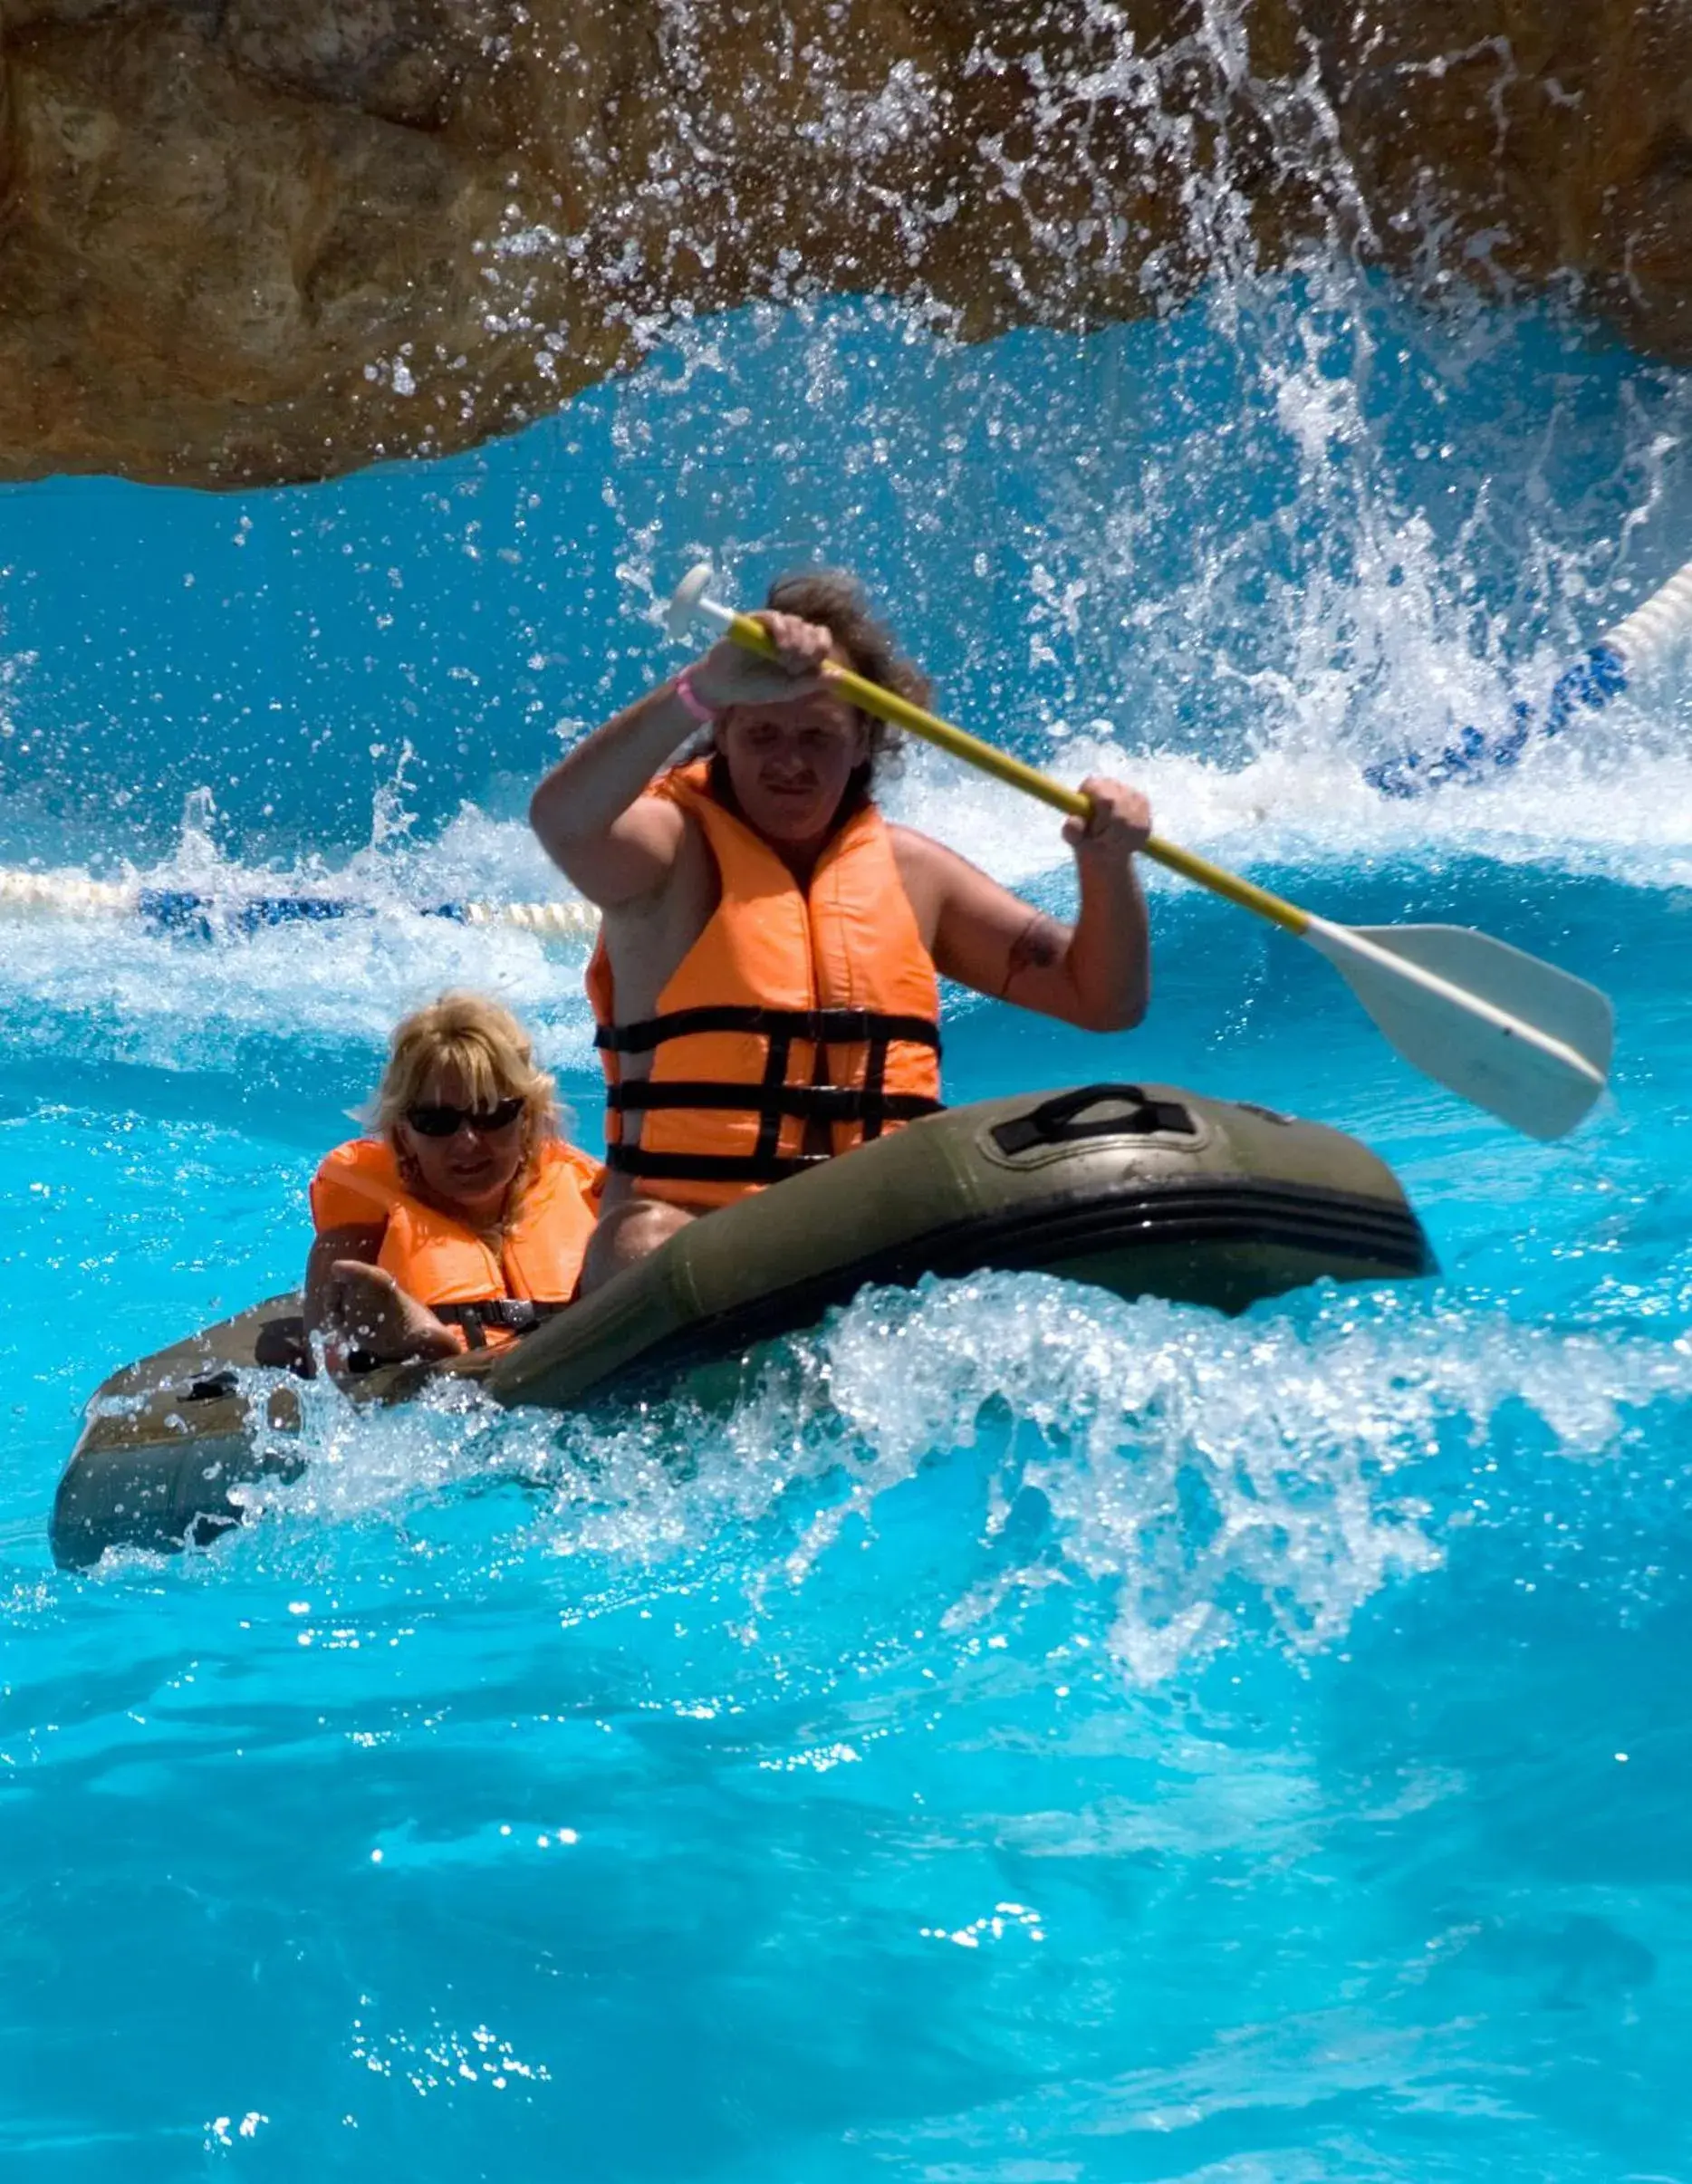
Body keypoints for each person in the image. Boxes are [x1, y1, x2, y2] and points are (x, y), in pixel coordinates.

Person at [529, 569, 1152, 1291]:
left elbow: (1104, 999)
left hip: (870, 1244)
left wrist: (1106, 867)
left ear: (863, 742)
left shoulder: (916, 875)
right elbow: (561, 820)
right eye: (762, 731)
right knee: (645, 1237)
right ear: (723, 731)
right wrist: (699, 686)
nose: (789, 762)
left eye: (817, 737)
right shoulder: (668, 854)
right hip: (688, 1247)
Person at [303, 991, 602, 1366]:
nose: (468, 1141)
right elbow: (327, 1370)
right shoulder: (361, 1229)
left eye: (491, 1113)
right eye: (437, 1122)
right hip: (445, 1389)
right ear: (403, 1135)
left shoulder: (591, 1196)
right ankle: (420, 1343)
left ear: (527, 1119)